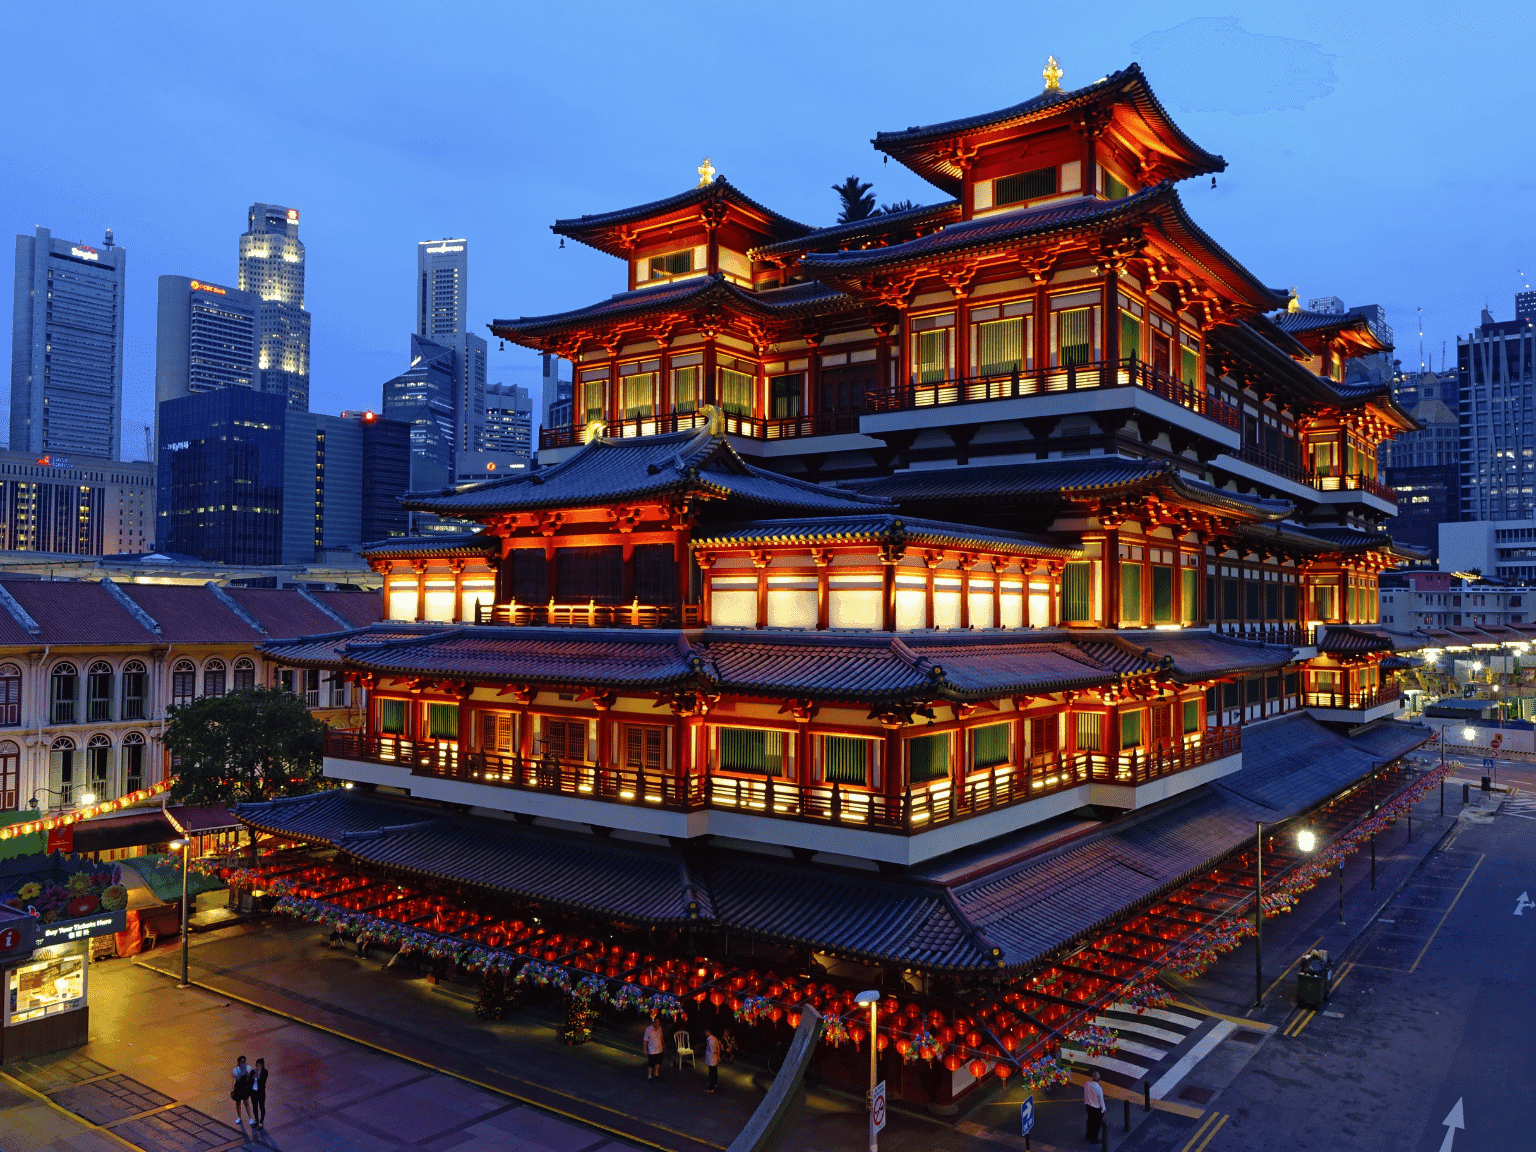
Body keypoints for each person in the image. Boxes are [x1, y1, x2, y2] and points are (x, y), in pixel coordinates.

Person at [230, 1055, 253, 1129]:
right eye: (241, 1062)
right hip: (238, 1087)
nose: (243, 1063)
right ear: (239, 1062)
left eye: (244, 1061)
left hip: (245, 1087)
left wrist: (245, 1070)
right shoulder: (236, 1070)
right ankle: (239, 1117)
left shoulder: (248, 1067)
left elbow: (248, 1077)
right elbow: (238, 1079)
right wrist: (241, 1070)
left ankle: (250, 1118)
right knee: (238, 1103)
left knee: (246, 1102)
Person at [1083, 1068, 1106, 1143]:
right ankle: (1094, 1139)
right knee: (1097, 1124)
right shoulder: (1098, 1088)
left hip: (1088, 1106)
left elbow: (1085, 1094)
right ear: (1099, 1079)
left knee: (1090, 1120)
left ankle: (1088, 1135)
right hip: (1096, 1108)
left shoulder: (1087, 1084)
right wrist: (1103, 1110)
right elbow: (1101, 1100)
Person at [249, 1058, 269, 1130]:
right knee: (254, 1106)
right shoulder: (252, 1072)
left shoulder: (264, 1072)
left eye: (259, 1065)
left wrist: (259, 1076)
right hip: (253, 1092)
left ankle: (261, 1121)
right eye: (257, 1065)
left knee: (261, 1107)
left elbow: (263, 1082)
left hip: (260, 1092)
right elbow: (249, 1082)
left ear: (262, 1065)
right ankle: (256, 1119)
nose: (258, 1067)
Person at [643, 1015, 665, 1081]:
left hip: (659, 1049)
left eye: (659, 1022)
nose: (658, 1024)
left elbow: (661, 1037)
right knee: (651, 1063)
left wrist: (663, 1044)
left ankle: (656, 1073)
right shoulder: (648, 1030)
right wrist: (645, 1049)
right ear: (653, 1022)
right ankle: (649, 1075)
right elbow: (645, 1040)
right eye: (657, 1022)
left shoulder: (659, 1028)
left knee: (658, 1062)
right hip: (652, 1050)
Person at [704, 1027, 721, 1093]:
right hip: (714, 1058)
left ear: (708, 1032)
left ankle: (711, 1088)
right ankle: (714, 1083)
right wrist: (718, 1056)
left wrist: (716, 1055)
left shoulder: (710, 1040)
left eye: (706, 1032)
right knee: (714, 1071)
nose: (705, 1033)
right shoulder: (715, 1038)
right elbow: (718, 1047)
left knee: (711, 1073)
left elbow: (713, 1050)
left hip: (711, 1058)